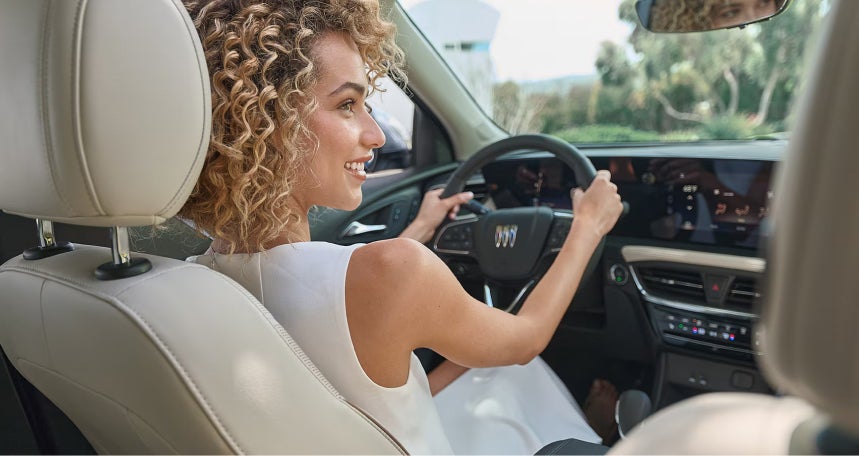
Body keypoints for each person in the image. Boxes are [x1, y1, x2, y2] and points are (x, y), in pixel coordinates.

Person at [179, 0, 624, 453]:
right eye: (347, 104)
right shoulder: (396, 273)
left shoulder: (193, 281)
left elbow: (337, 336)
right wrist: (587, 227)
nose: (376, 135)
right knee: (517, 375)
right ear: (269, 122)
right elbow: (527, 339)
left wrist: (420, 227)